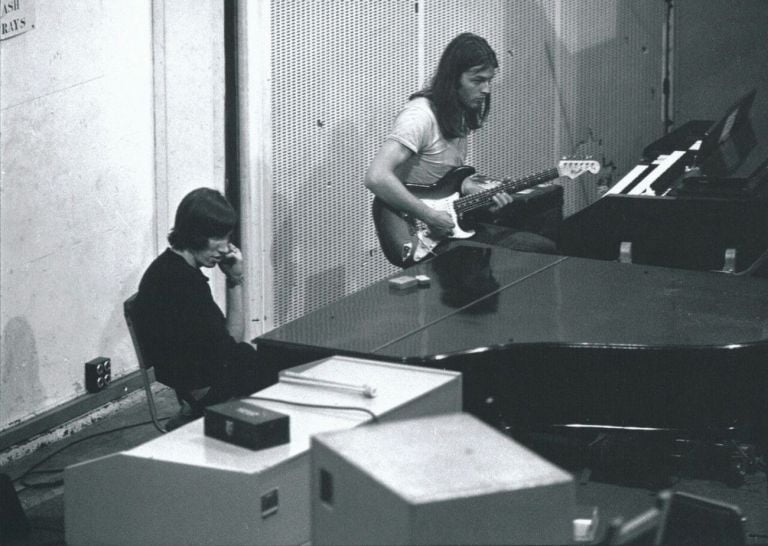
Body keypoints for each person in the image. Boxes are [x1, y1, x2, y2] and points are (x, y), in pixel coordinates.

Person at [365, 32, 556, 264]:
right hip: (420, 230)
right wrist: (429, 215)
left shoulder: (459, 114)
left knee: (541, 247)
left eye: (489, 80)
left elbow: (447, 179)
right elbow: (376, 177)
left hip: (453, 227)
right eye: (477, 81)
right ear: (453, 79)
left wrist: (476, 190)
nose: (486, 90)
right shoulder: (419, 116)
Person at [133, 188, 274, 429]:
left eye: (227, 237)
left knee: (262, 358)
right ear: (194, 234)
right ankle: (196, 416)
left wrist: (234, 280)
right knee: (284, 373)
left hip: (198, 381)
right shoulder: (182, 283)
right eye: (216, 237)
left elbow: (227, 342)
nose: (224, 248)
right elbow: (229, 344)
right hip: (204, 389)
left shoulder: (172, 268)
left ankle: (191, 414)